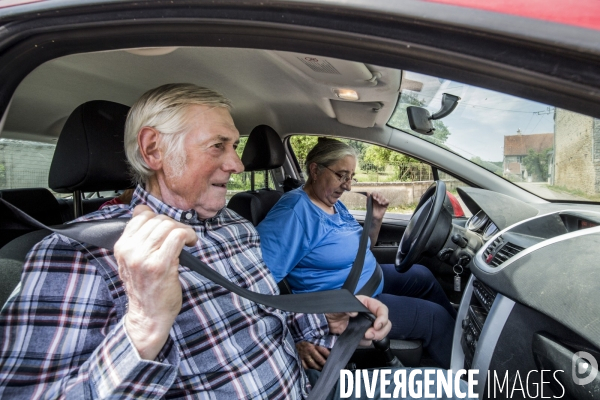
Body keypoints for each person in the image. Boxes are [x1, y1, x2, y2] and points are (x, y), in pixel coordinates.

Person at [0, 84, 468, 399]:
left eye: (236, 146)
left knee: (458, 390)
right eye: (218, 146)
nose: (238, 165)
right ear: (152, 150)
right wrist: (142, 328)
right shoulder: (74, 256)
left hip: (312, 384)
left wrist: (327, 321)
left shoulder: (235, 229)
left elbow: (269, 323)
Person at [257, 138, 457, 369]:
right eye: (341, 175)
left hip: (371, 278)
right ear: (315, 170)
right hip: (345, 304)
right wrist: (294, 335)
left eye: (351, 177)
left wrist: (377, 218)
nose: (348, 186)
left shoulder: (332, 202)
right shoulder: (293, 214)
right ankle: (469, 376)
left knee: (422, 275)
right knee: (434, 318)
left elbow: (362, 249)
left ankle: (455, 343)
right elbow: (259, 286)